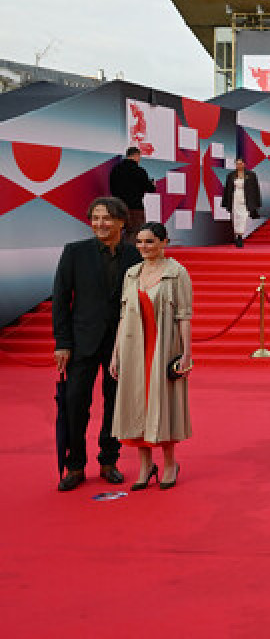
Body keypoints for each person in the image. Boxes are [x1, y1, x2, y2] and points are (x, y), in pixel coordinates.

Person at [52, 197, 142, 491]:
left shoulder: (135, 256)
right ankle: (75, 465)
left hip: (120, 342)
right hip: (81, 342)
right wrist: (63, 343)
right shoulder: (74, 253)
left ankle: (109, 460)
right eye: (95, 219)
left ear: (121, 223)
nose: (99, 224)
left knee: (115, 404)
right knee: (76, 403)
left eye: (106, 219)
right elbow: (61, 300)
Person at [109, 222, 193, 490]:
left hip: (163, 348)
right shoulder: (131, 274)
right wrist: (116, 353)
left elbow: (184, 316)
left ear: (164, 242)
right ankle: (145, 466)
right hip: (134, 349)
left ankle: (170, 463)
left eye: (149, 242)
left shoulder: (177, 273)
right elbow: (123, 316)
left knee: (163, 404)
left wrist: (187, 354)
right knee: (134, 404)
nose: (143, 247)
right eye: (140, 242)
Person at [109, 147, 156, 242]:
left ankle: (115, 254)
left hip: (118, 206)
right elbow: (150, 189)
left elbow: (112, 187)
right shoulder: (139, 171)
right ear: (136, 155)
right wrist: (152, 185)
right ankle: (130, 255)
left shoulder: (115, 169)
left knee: (117, 231)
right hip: (135, 208)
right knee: (135, 232)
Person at [220, 158, 262, 248]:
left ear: (244, 164)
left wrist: (257, 203)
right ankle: (238, 236)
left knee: (243, 217)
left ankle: (240, 235)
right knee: (235, 217)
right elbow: (227, 189)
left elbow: (255, 189)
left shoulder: (251, 175)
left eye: (240, 164)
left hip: (246, 198)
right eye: (237, 164)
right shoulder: (231, 175)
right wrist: (225, 202)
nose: (238, 165)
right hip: (235, 198)